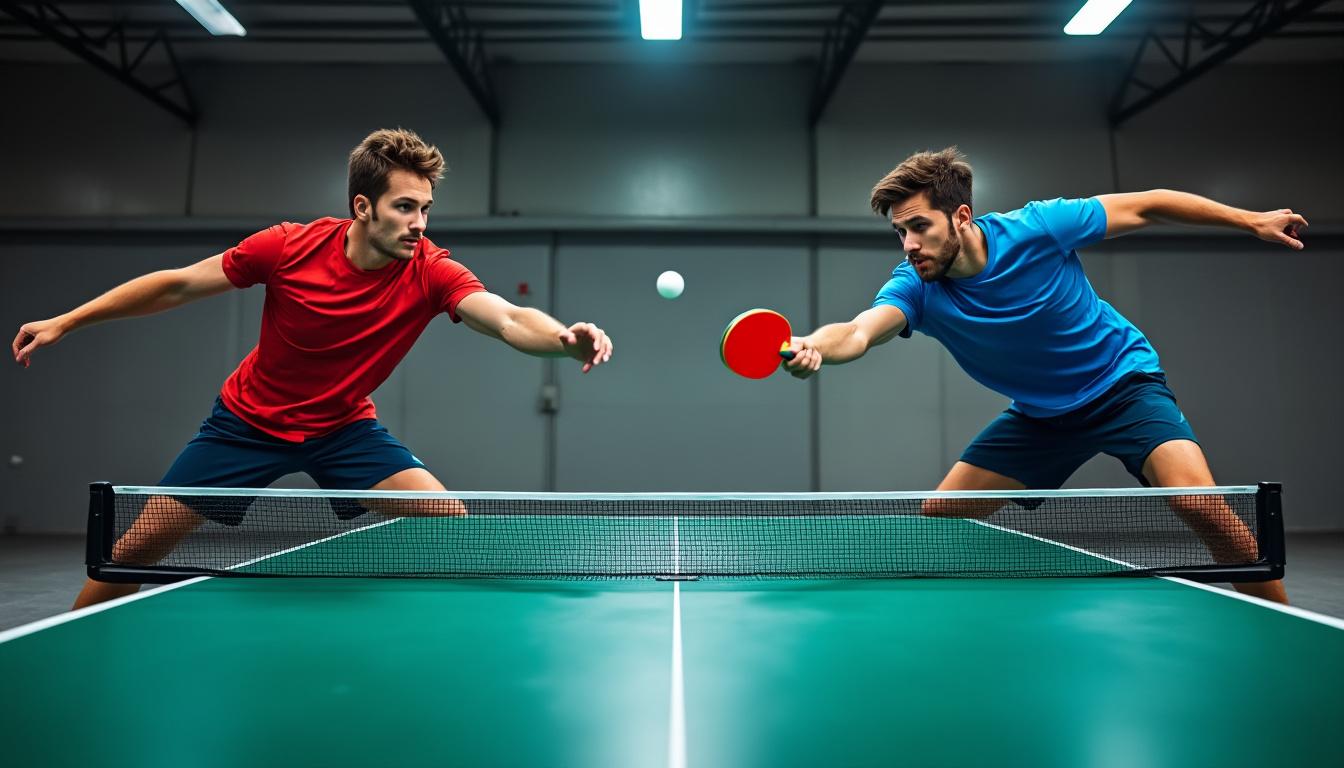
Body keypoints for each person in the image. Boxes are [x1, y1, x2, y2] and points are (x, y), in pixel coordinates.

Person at [12, 128, 614, 609]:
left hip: (343, 431)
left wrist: (563, 339)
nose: (420, 224)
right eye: (405, 208)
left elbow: (505, 318)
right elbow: (176, 285)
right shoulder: (287, 247)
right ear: (363, 206)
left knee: (449, 524)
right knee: (136, 548)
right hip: (244, 425)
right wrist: (68, 320)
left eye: (426, 209)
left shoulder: (430, 270)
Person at [783, 147, 1304, 604]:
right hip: (1041, 419)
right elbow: (857, 331)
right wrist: (814, 348)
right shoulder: (916, 287)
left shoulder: (1038, 227)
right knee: (938, 520)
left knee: (1201, 507)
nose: (909, 245)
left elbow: (1147, 203)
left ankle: (1283, 624)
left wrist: (1249, 220)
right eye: (900, 232)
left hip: (1123, 388)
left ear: (960, 216)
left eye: (920, 227)